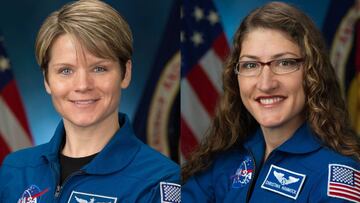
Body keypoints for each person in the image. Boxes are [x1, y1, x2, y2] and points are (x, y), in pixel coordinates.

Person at [0, 0, 180, 202]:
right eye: (65, 70)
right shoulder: (15, 170)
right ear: (47, 80)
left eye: (99, 68)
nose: (83, 85)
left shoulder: (160, 180)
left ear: (125, 73)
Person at [182, 2, 360, 203]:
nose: (266, 84)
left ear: (312, 74)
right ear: (236, 77)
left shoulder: (335, 177)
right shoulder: (223, 161)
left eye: (284, 63)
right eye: (250, 65)